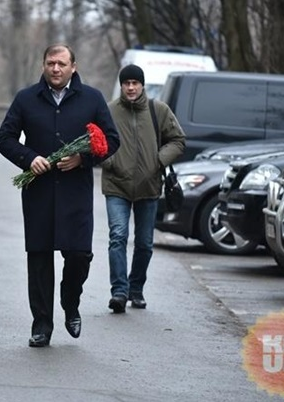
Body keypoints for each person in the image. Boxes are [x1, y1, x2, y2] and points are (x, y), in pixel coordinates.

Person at [0, 44, 120, 347]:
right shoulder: (26, 98)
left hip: (75, 193)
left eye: (62, 64)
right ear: (43, 65)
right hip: (39, 191)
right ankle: (41, 324)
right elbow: (5, 138)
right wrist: (29, 159)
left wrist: (83, 159)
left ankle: (70, 300)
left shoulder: (92, 98)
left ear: (73, 67)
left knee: (79, 255)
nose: (56, 69)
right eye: (51, 63)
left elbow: (111, 140)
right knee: (39, 258)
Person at [101, 64, 185, 313]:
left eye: (135, 83)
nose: (130, 87)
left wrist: (157, 161)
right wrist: (110, 160)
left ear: (142, 85)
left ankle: (136, 289)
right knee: (118, 236)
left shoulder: (158, 110)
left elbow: (178, 140)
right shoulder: (109, 111)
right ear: (121, 85)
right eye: (126, 83)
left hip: (149, 186)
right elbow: (96, 141)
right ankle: (119, 291)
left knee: (145, 243)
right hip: (116, 184)